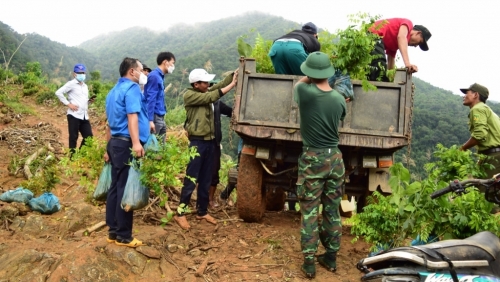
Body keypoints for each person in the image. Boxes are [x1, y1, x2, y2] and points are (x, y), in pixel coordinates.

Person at [293, 52, 346, 278]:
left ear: (310, 72)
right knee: (332, 210)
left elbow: (299, 82)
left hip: (312, 159)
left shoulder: (305, 93)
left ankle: (309, 263)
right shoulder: (339, 98)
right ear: (329, 72)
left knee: (309, 212)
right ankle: (331, 258)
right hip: (335, 159)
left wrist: (309, 74)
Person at [174, 68, 238, 230]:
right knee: (191, 178)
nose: (208, 84)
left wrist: (234, 75)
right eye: (205, 82)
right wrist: (231, 86)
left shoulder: (205, 90)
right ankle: (180, 213)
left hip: (210, 142)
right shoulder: (190, 95)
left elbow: (217, 87)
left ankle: (201, 211)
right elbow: (213, 95)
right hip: (197, 142)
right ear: (196, 84)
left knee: (206, 178)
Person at [104, 57, 150, 248]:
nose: (143, 74)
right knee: (125, 189)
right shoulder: (131, 89)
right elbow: (132, 117)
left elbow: (108, 124)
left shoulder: (113, 91)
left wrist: (107, 149)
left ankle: (113, 231)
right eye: (141, 70)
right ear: (132, 72)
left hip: (115, 143)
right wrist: (136, 142)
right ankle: (124, 235)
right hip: (126, 144)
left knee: (115, 188)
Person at [459, 83, 500, 178]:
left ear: (476, 95)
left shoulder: (477, 109)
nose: (464, 96)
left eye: (467, 93)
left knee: (485, 190)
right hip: (493, 155)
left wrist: (462, 148)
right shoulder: (488, 110)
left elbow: (480, 134)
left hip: (494, 157)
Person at [55, 63, 94, 156]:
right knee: (73, 137)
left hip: (84, 115)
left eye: (83, 72)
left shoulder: (85, 86)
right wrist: (68, 104)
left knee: (89, 137)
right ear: (74, 74)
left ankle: (80, 154)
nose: (81, 74)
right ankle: (72, 157)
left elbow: (82, 100)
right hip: (74, 115)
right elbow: (58, 92)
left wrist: (89, 102)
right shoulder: (71, 84)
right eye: (79, 73)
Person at [208, 79, 233, 208]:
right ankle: (201, 199)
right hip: (202, 142)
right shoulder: (198, 101)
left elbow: (230, 111)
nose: (210, 87)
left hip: (215, 143)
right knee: (200, 171)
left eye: (212, 86)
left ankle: (210, 200)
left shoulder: (217, 103)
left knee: (214, 172)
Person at [144, 52, 176, 141]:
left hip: (160, 116)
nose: (173, 66)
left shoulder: (160, 76)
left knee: (161, 147)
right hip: (155, 117)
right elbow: (151, 99)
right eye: (172, 63)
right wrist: (150, 120)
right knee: (152, 147)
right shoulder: (154, 76)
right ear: (165, 62)